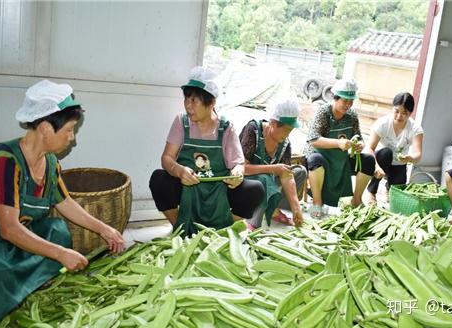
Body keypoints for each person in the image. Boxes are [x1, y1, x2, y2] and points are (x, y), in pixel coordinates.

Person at [0, 80, 126, 326]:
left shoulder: (50, 164)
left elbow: (65, 202)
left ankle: (24, 283)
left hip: (17, 240)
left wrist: (104, 228)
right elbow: (9, 229)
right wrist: (61, 254)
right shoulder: (5, 160)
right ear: (46, 128)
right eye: (69, 130)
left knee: (58, 232)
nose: (72, 138)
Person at [149, 66, 264, 236]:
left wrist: (237, 174)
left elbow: (238, 163)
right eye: (186, 99)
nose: (188, 106)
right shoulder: (182, 122)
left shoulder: (226, 127)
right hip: (187, 186)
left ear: (211, 102)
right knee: (159, 179)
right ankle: (179, 226)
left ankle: (224, 230)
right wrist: (179, 170)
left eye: (194, 101)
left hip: (218, 190)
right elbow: (167, 158)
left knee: (255, 189)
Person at [304, 78, 375, 218]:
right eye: (344, 101)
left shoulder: (352, 115)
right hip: (321, 157)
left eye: (351, 101)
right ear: (335, 98)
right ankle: (317, 203)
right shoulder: (323, 112)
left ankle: (356, 200)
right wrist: (338, 143)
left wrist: (360, 144)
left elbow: (358, 136)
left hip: (341, 159)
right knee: (315, 160)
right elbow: (313, 140)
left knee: (368, 160)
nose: (348, 105)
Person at [239, 99, 307, 230]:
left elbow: (286, 175)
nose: (288, 134)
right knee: (264, 179)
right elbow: (243, 168)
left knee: (300, 171)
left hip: (268, 186)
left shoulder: (285, 143)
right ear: (272, 123)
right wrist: (273, 169)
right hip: (245, 186)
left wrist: (296, 207)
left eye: (290, 130)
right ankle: (253, 222)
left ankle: (273, 210)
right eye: (286, 130)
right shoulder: (253, 130)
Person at [366, 92, 424, 203]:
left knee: (396, 196)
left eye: (404, 113)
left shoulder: (416, 129)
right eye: (396, 111)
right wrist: (377, 167)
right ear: (392, 108)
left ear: (410, 113)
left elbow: (418, 155)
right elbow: (369, 148)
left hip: (399, 164)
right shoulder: (382, 123)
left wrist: (409, 158)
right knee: (386, 153)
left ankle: (388, 188)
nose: (399, 116)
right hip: (382, 160)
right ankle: (371, 191)